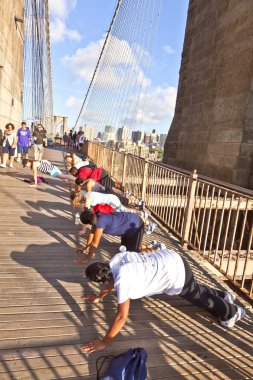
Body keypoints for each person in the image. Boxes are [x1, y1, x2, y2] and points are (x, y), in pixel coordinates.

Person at [81, 248, 247, 353]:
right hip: (171, 256)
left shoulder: (122, 281)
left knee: (198, 296)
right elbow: (111, 281)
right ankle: (225, 296)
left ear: (101, 280)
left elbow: (121, 317)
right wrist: (98, 297)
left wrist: (105, 341)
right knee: (194, 287)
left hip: (174, 274)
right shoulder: (116, 260)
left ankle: (232, 313)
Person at [76, 210, 144, 264]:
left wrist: (88, 258)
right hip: (127, 225)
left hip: (136, 225)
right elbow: (92, 233)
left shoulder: (100, 222)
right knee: (123, 249)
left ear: (88, 223)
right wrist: (85, 248)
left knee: (131, 256)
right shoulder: (95, 218)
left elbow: (94, 243)